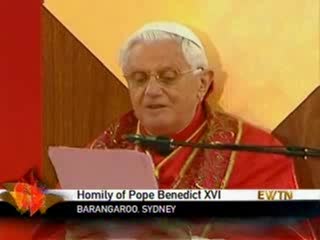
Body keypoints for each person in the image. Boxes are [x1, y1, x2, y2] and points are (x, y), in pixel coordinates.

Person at [82, 22, 316, 239]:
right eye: (139, 79)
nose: (152, 90)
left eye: (168, 77)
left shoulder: (258, 155)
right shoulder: (107, 148)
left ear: (202, 84)